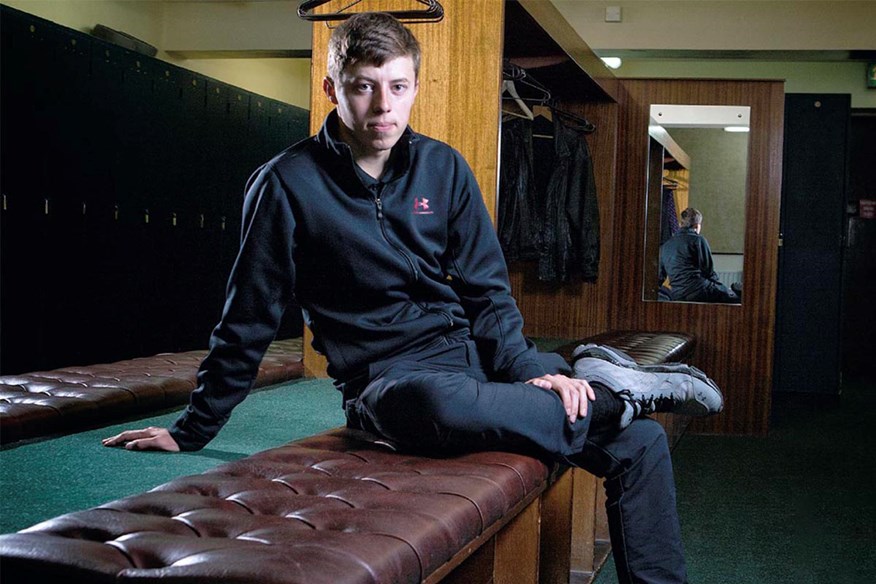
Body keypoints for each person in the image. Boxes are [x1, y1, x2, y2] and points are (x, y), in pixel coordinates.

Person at [104, 13, 723, 583]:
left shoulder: (444, 168)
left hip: (469, 359)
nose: (383, 106)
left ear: (416, 87)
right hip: (387, 380)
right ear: (332, 89)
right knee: (436, 402)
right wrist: (192, 429)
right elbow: (248, 317)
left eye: (399, 87)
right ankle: (619, 396)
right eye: (364, 86)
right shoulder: (286, 184)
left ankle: (606, 409)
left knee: (638, 447)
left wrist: (529, 370)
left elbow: (486, 288)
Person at [659, 207, 741, 303]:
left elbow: (660, 276)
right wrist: (722, 288)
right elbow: (708, 271)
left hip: (678, 294)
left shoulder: (666, 245)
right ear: (697, 226)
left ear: (680, 224)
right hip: (699, 290)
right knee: (737, 299)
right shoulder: (698, 240)